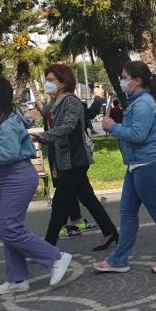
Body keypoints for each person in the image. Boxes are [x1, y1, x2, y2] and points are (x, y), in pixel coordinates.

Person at [0, 77, 72, 294]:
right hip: (12, 177)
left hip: (17, 177)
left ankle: (56, 257)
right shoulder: (2, 117)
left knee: (10, 229)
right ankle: (17, 279)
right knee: (8, 229)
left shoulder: (6, 122)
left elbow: (7, 154)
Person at [95, 62, 156, 273]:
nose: (122, 81)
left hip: (149, 164)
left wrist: (113, 127)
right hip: (137, 164)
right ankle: (119, 259)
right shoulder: (137, 101)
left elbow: (138, 135)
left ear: (137, 81)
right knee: (127, 212)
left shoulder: (143, 104)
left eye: (125, 77)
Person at [33, 64, 118, 252]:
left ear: (63, 82)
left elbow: (68, 127)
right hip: (66, 160)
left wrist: (42, 136)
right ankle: (110, 232)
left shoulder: (70, 101)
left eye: (51, 80)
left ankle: (48, 248)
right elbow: (57, 134)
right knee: (88, 198)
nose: (47, 83)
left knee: (60, 204)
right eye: (46, 80)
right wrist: (55, 163)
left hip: (75, 160)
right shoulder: (57, 102)